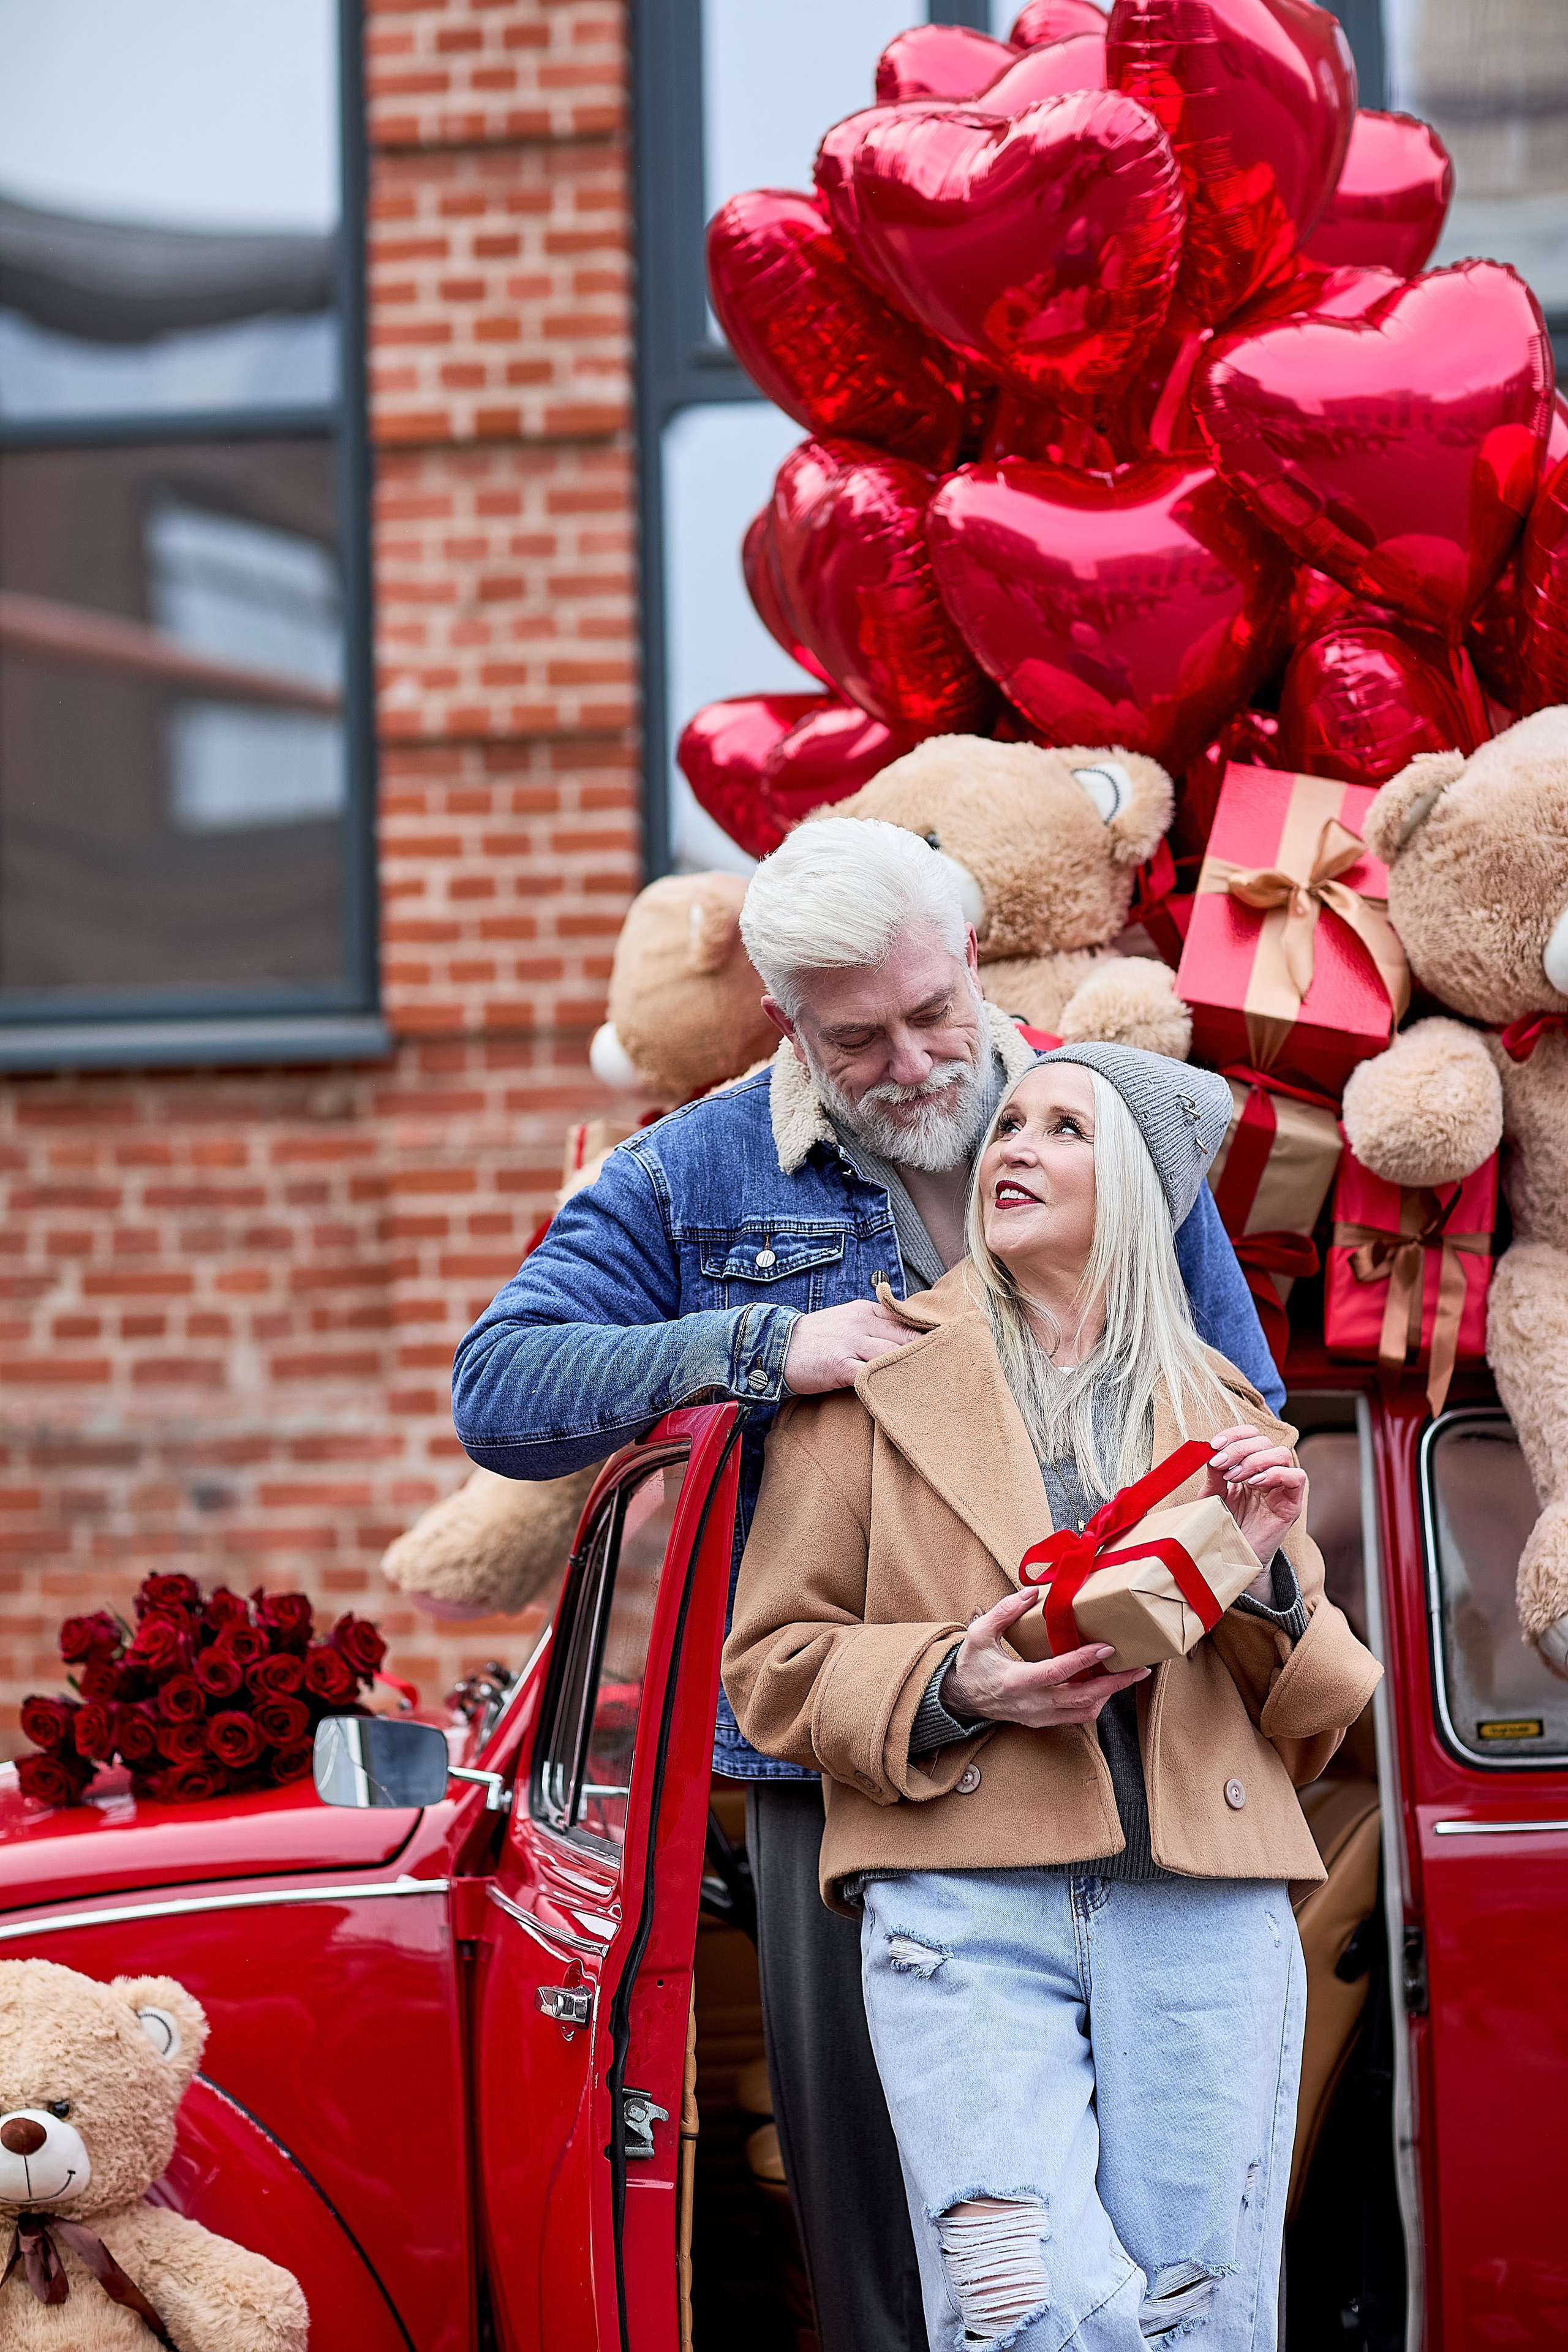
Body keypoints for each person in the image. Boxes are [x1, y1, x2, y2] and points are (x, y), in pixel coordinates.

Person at [451, 820, 1287, 2352]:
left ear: (970, 955)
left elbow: (1237, 1392)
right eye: (856, 1037)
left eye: (931, 1013)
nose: (910, 1062)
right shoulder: (691, 1170)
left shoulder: (1111, 1115)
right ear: (784, 1020)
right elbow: (500, 1390)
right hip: (841, 1763)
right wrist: (766, 1350)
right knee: (904, 2248)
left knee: (1184, 2238)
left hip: (1147, 1739)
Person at [722, 1044, 1382, 2351]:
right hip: (959, 1905)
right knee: (1015, 2313)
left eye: (1061, 1128)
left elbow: (1313, 1718)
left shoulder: (1222, 1404)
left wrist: (1259, 1580)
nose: (1011, 1145)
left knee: (1204, 2318)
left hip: (1204, 1907)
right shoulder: (871, 1379)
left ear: (1135, 1186)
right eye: (1006, 1122)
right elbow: (770, 1668)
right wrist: (953, 1681)